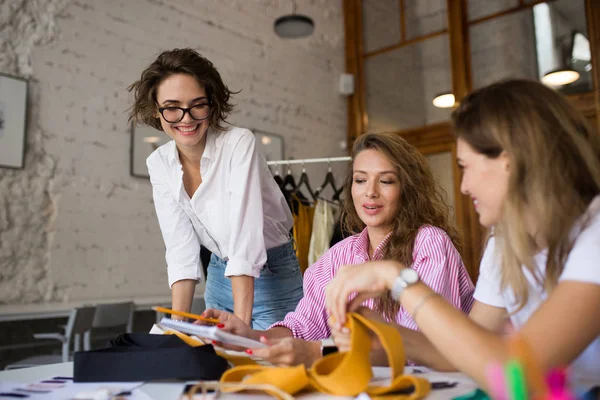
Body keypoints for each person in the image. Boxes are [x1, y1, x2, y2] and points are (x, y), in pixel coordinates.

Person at [325, 79, 600, 394]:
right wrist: (392, 335)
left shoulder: (595, 234)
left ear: (509, 162)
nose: (464, 186)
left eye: (465, 166)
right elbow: (470, 352)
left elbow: (517, 376)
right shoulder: (506, 241)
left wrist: (398, 279)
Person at [203, 132, 475, 366]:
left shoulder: (429, 243)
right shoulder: (337, 256)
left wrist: (318, 353)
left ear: (407, 189)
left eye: (386, 181)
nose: (370, 192)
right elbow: (303, 327)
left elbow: (419, 348)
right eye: (360, 180)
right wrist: (247, 335)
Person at [128, 48, 303, 329]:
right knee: (213, 364)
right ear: (155, 110)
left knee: (266, 365)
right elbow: (180, 249)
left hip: (272, 276)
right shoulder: (159, 163)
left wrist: (241, 328)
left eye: (197, 104)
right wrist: (178, 327)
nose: (186, 118)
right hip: (219, 276)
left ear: (212, 104)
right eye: (172, 107)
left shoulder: (238, 144)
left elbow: (245, 237)